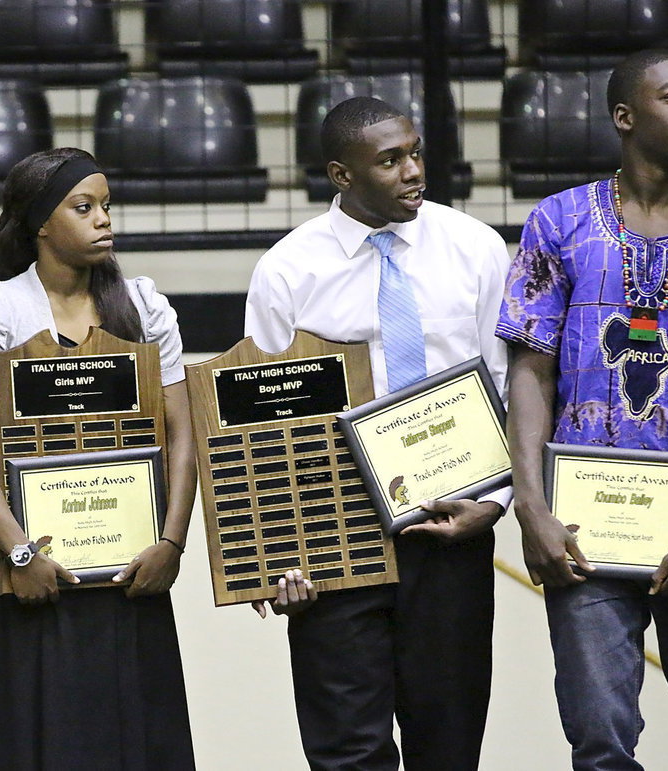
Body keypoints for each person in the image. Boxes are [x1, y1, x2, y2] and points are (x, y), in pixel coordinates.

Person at [497, 49, 668, 769]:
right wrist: (531, 509)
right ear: (625, 116)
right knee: (600, 742)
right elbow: (531, 372)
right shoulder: (558, 221)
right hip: (582, 531)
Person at [244, 97, 511, 770]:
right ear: (342, 174)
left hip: (453, 526)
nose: (413, 171)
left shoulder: (476, 247)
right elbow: (261, 425)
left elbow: (508, 386)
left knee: (448, 748)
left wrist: (495, 501)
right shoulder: (287, 270)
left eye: (415, 153)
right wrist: (278, 551)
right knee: (347, 753)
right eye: (390, 161)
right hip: (337, 536)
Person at [0, 148, 197, 769]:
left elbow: (184, 434)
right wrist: (20, 553)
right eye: (83, 207)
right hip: (35, 569)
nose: (103, 219)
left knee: (142, 738)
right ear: (40, 222)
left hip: (135, 567)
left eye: (106, 206)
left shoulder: (143, 306)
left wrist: (172, 544)